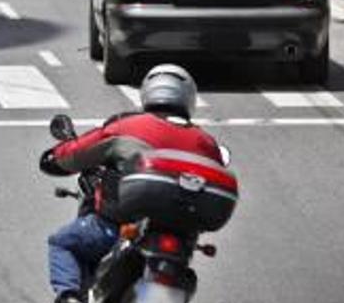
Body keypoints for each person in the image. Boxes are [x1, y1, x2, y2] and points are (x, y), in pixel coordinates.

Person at [38, 64, 233, 303]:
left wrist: (54, 159)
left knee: (63, 243)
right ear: (189, 99)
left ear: (148, 92)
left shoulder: (128, 126)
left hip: (118, 227)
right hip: (182, 242)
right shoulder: (206, 141)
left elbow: (75, 154)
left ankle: (69, 298)